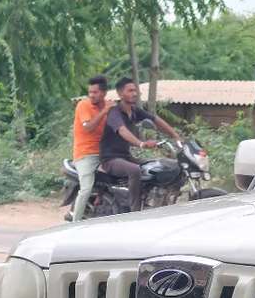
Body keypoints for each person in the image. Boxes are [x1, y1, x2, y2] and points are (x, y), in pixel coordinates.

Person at [100, 77, 181, 211]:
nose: (134, 93)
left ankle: (154, 198)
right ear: (120, 94)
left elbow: (155, 119)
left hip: (126, 157)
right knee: (134, 170)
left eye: (135, 90)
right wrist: (141, 144)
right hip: (110, 159)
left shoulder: (134, 111)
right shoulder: (114, 112)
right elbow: (122, 130)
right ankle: (135, 210)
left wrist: (175, 135)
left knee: (158, 165)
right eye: (130, 91)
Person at [71, 75, 112, 222]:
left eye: (95, 92)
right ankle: (75, 224)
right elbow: (88, 127)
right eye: (90, 92)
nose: (91, 95)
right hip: (85, 155)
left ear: (104, 93)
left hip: (104, 154)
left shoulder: (109, 106)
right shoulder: (84, 105)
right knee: (86, 189)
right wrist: (105, 111)